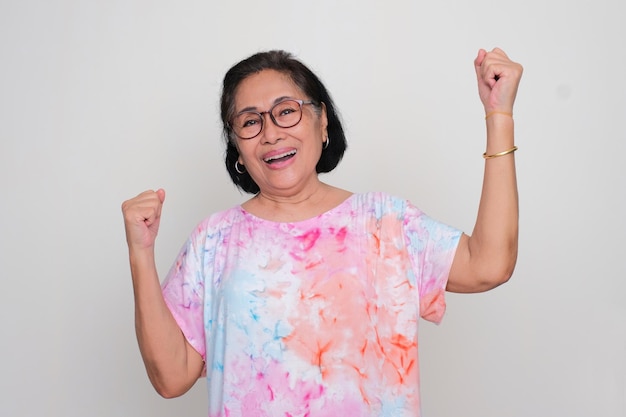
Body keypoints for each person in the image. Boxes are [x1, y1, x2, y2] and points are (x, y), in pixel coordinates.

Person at [122, 48, 523, 417]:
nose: (271, 133)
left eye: (287, 111)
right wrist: (141, 253)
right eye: (250, 122)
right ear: (237, 147)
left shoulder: (385, 221)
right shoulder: (214, 240)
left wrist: (498, 115)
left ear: (323, 120)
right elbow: (171, 377)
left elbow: (489, 265)